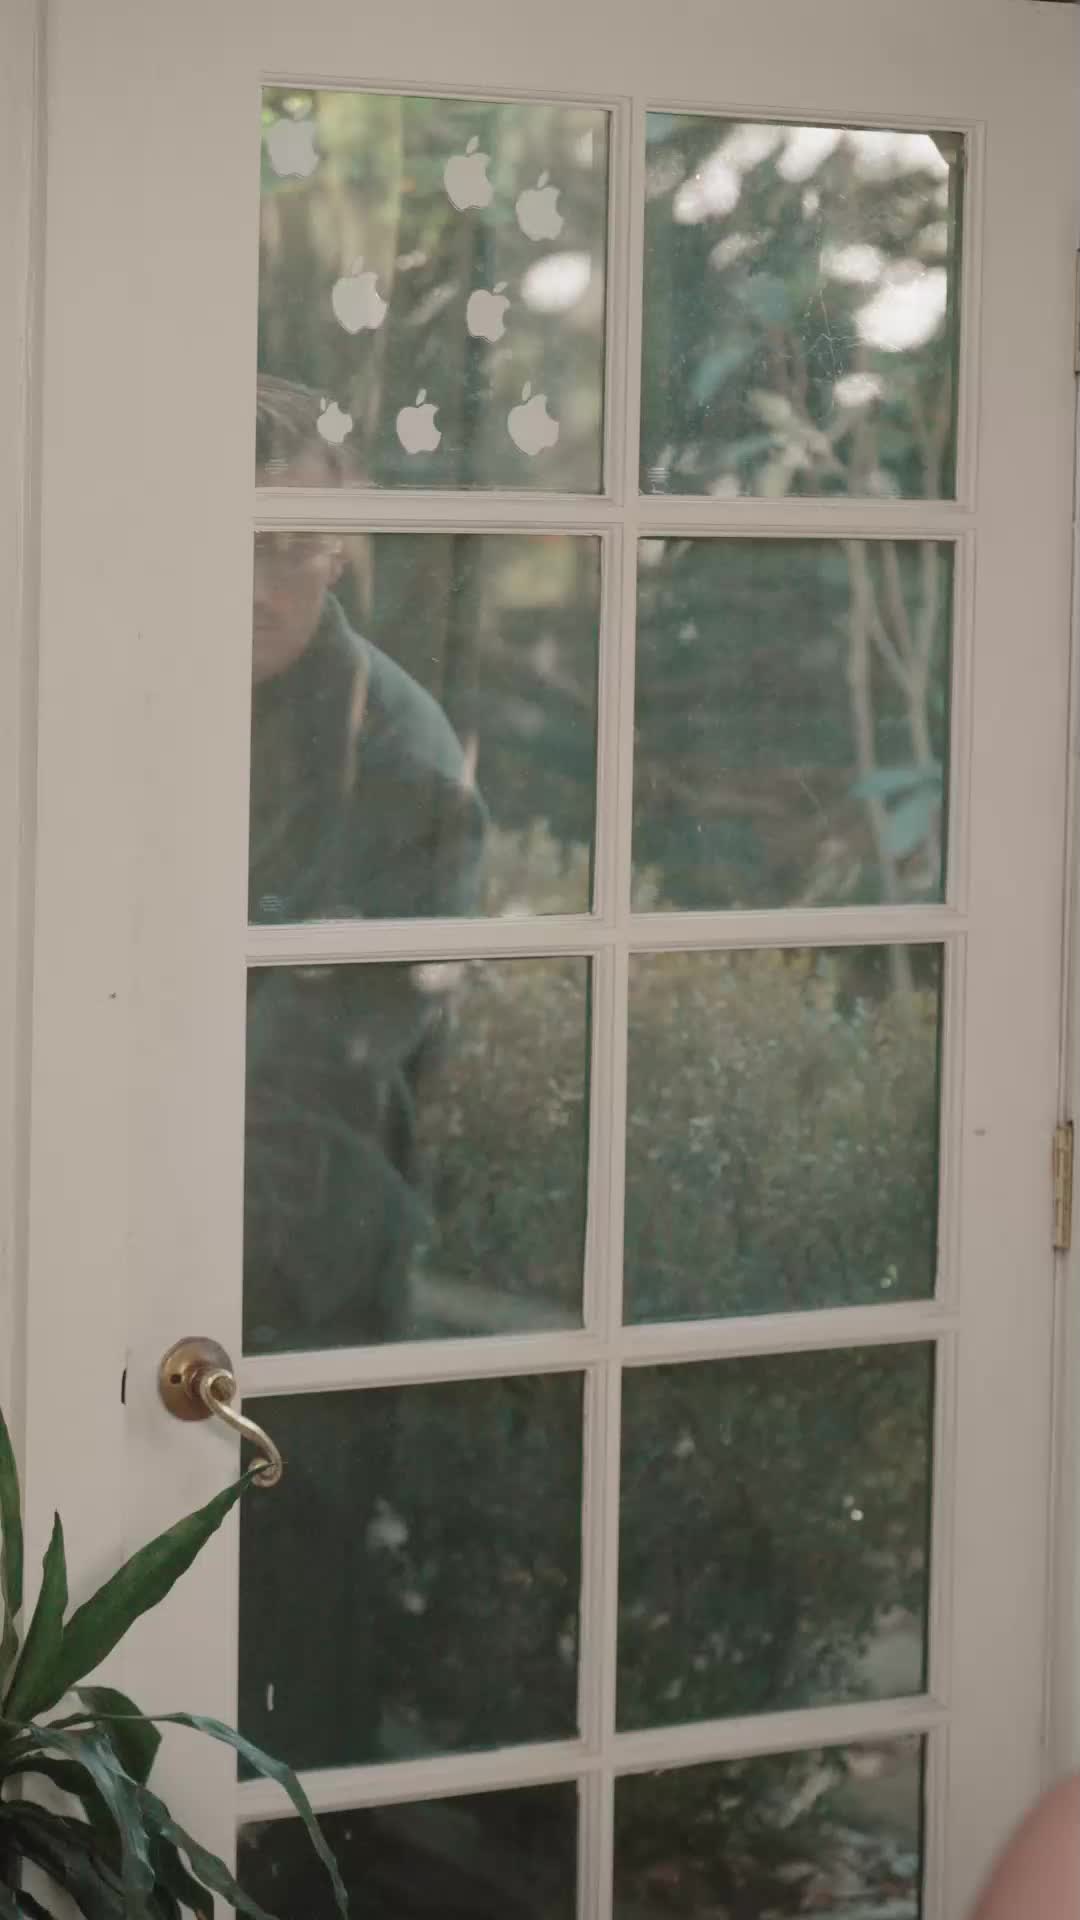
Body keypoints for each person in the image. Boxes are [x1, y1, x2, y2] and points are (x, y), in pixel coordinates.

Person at [240, 376, 486, 1776]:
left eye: (291, 544)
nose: (258, 580)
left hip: (313, 1282)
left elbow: (330, 1058)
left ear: (337, 549)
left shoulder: (395, 753)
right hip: (152, 1253)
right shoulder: (146, 695)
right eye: (237, 537)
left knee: (289, 1672)